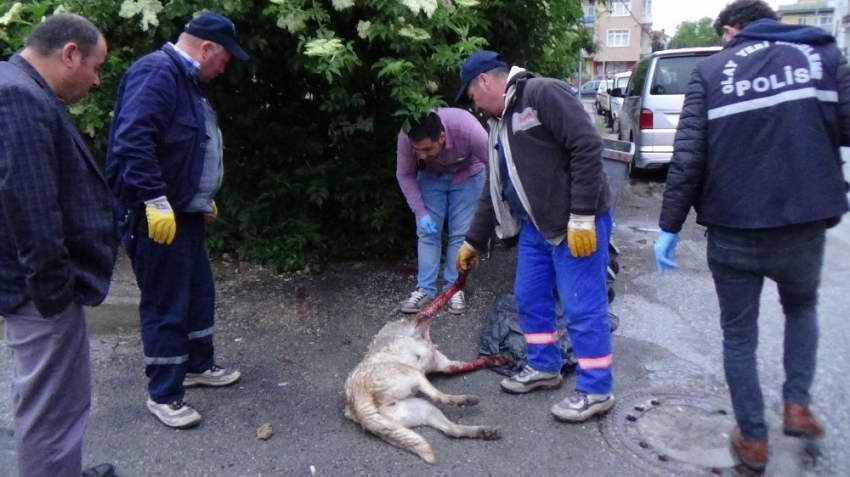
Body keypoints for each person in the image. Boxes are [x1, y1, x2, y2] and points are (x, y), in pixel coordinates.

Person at [654, 0, 850, 471]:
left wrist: (668, 227)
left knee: (739, 336)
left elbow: (688, 158)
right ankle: (797, 404)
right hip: (803, 223)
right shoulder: (822, 56)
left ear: (732, 29)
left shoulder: (713, 70)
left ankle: (755, 439)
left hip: (734, 226)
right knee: (801, 308)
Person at [106, 11, 249, 429]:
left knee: (199, 293)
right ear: (207, 48)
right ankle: (164, 393)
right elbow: (132, 141)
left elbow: (188, 145)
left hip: (185, 212)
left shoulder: (188, 82)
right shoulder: (157, 73)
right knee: (167, 303)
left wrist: (199, 196)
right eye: (224, 58)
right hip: (157, 216)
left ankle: (196, 365)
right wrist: (154, 199)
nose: (224, 68)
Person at [454, 50, 615, 422]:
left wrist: (581, 215)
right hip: (535, 228)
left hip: (574, 225)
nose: (474, 106)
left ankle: (596, 390)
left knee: (581, 306)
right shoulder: (498, 125)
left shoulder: (541, 94)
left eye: (473, 97)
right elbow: (493, 190)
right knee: (528, 297)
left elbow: (588, 147)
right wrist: (472, 242)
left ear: (485, 81)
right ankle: (545, 367)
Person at [0, 13, 118, 477]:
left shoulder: (18, 86)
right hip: (39, 290)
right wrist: (54, 292)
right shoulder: (16, 97)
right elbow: (29, 204)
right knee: (52, 408)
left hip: (36, 285)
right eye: (94, 66)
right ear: (70, 53)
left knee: (55, 397)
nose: (96, 80)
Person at [396, 109, 487, 314]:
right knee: (427, 233)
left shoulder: (469, 129)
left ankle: (454, 288)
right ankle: (424, 289)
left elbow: (496, 163)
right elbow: (405, 174)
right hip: (432, 175)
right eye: (417, 150)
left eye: (427, 149)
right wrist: (420, 212)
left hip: (468, 175)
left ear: (442, 137)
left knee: (460, 234)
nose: (421, 155)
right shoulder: (407, 134)